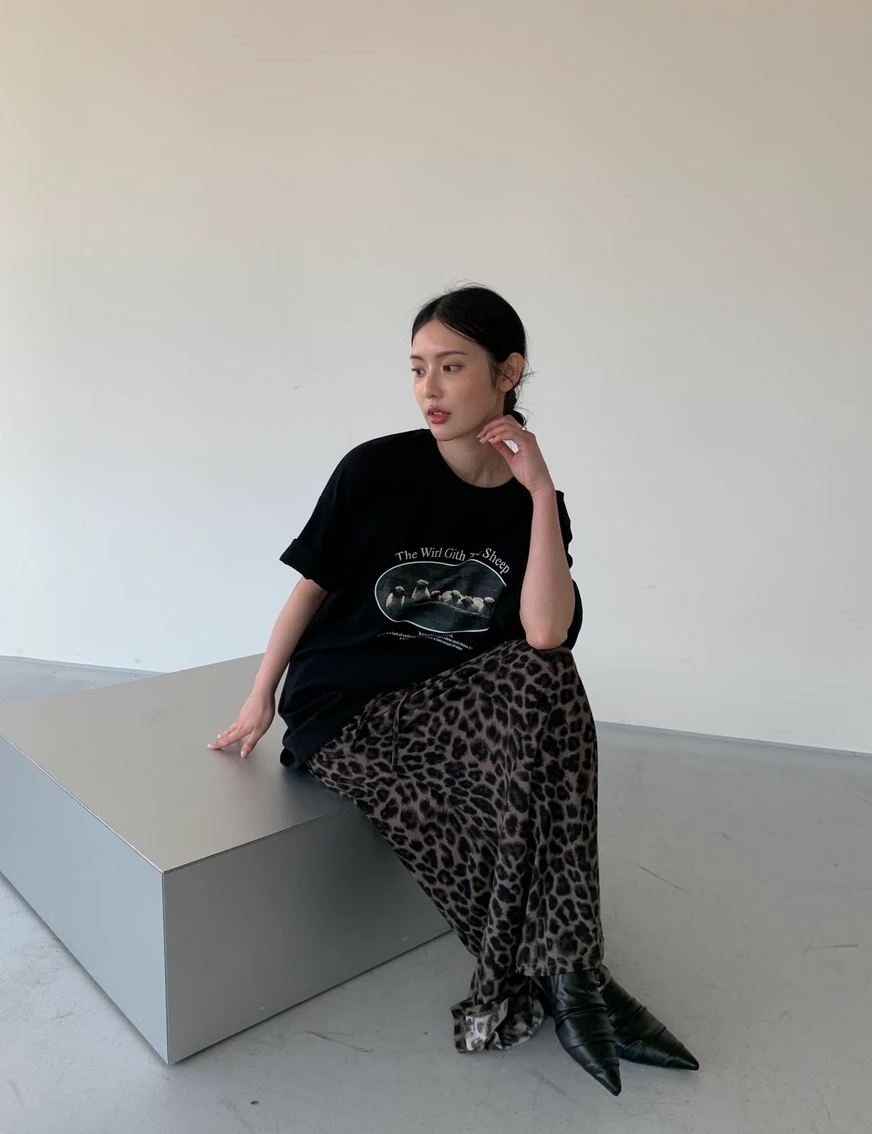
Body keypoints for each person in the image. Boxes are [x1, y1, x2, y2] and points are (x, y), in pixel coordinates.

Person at [209, 284, 699, 1095]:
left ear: (508, 373)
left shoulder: (534, 502)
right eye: (416, 369)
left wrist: (538, 493)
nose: (428, 389)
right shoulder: (374, 470)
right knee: (507, 795)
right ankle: (579, 983)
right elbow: (310, 587)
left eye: (451, 366)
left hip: (448, 704)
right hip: (348, 708)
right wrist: (261, 695)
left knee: (548, 680)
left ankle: (572, 980)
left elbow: (545, 635)